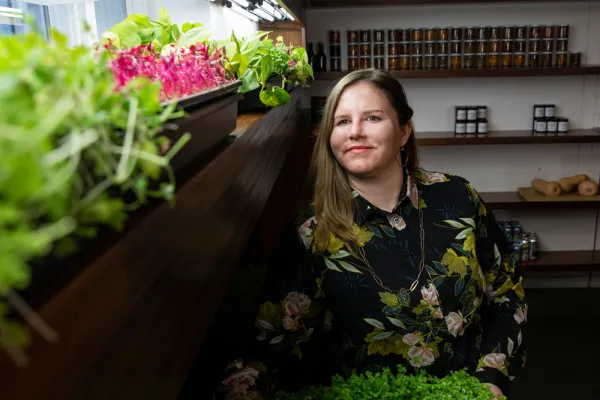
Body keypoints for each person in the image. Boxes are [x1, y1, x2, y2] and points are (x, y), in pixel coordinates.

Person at [220, 69, 527, 399]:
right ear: (329, 138)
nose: (355, 132)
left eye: (372, 118)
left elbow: (507, 293)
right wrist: (241, 386)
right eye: (341, 122)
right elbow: (273, 344)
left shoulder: (458, 196)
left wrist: (490, 379)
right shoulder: (310, 233)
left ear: (404, 130)